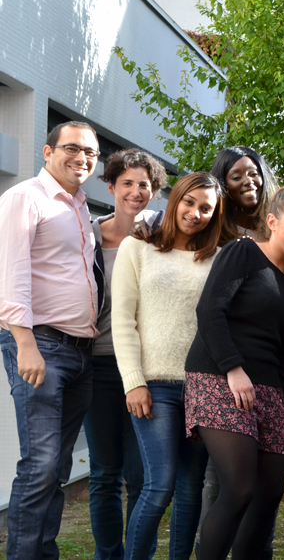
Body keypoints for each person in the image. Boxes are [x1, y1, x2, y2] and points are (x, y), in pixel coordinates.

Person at [186, 187, 284, 560]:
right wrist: (233, 368)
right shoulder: (242, 251)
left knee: (269, 494)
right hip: (219, 378)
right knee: (239, 489)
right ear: (273, 221)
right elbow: (210, 310)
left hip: (270, 390)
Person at [0, 121, 102, 560]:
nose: (83, 157)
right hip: (41, 346)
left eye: (91, 153)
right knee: (40, 465)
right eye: (73, 148)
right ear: (48, 151)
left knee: (58, 467)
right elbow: (10, 273)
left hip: (81, 352)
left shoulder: (81, 207)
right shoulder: (25, 197)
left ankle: (44, 552)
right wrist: (25, 343)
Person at [113, 172, 223, 560]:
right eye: (190, 203)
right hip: (153, 386)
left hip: (202, 387)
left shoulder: (217, 258)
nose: (196, 213)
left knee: (191, 486)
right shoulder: (136, 248)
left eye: (206, 208)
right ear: (174, 200)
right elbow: (123, 320)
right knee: (159, 485)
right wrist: (133, 381)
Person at [84, 149, 167, 560]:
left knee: (142, 476)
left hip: (144, 370)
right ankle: (108, 555)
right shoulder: (86, 234)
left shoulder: (159, 239)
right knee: (103, 473)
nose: (136, 192)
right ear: (112, 185)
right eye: (128, 183)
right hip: (97, 364)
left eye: (144, 185)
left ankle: (139, 555)